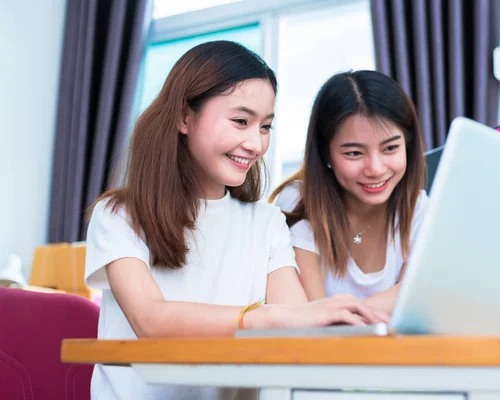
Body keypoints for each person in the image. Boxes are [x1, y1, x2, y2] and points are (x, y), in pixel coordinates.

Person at [84, 41, 385, 400]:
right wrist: (262, 318)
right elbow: (151, 319)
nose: (256, 144)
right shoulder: (120, 215)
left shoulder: (267, 223)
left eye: (266, 127)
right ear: (184, 117)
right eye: (241, 121)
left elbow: (297, 324)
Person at [271, 70, 429, 317]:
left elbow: (416, 299)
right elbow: (314, 318)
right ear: (325, 155)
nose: (375, 169)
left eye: (390, 148)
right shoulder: (299, 202)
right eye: (354, 153)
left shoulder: (421, 210)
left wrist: (340, 313)